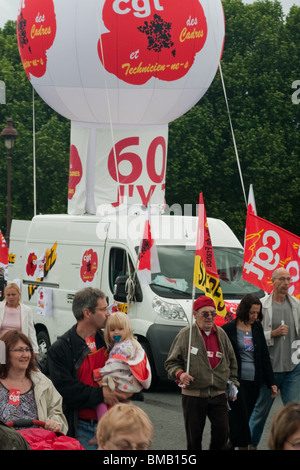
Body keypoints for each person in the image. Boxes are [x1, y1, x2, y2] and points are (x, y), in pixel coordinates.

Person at [47, 287, 132, 450]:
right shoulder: (61, 348)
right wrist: (101, 395)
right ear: (87, 313)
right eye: (103, 309)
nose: (108, 314)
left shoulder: (111, 341)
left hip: (116, 426)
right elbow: (65, 390)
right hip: (83, 428)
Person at [165, 295, 239, 450]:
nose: (210, 317)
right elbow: (171, 363)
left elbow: (232, 362)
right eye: (205, 314)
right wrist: (180, 374)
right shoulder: (186, 334)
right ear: (195, 314)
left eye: (213, 313)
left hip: (218, 394)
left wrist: (234, 384)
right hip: (193, 396)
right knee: (194, 439)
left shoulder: (221, 334)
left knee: (223, 431)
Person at [249, 268, 300, 449]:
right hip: (270, 371)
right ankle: (251, 445)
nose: (286, 283)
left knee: (295, 412)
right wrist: (273, 333)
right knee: (260, 412)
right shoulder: (262, 305)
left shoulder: (296, 304)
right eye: (282, 279)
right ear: (273, 281)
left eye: (288, 279)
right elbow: (252, 336)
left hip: (293, 368)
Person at [222, 293, 277, 449]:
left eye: (257, 313)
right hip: (235, 381)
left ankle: (231, 443)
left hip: (254, 381)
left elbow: (264, 355)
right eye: (252, 312)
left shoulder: (257, 327)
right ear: (244, 310)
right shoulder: (228, 329)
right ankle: (244, 445)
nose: (254, 316)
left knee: (243, 419)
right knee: (241, 415)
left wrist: (271, 381)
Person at [0, 330, 67, 434]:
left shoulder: (42, 382)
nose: (26, 355)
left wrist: (54, 422)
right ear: (5, 353)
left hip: (39, 444)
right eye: (19, 350)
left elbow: (56, 411)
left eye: (28, 350)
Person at [93, 311, 151, 419]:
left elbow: (115, 365)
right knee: (123, 403)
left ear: (127, 329)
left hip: (122, 382)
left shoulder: (123, 348)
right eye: (112, 330)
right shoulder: (130, 343)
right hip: (129, 383)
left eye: (120, 329)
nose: (116, 333)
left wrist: (99, 373)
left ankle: (103, 423)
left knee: (100, 399)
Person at [0, 283, 38, 358]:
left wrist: (35, 350)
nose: (11, 297)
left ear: (19, 294)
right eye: (8, 295)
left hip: (18, 347)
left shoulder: (27, 310)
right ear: (5, 295)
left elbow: (31, 331)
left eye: (13, 294)